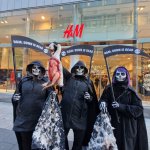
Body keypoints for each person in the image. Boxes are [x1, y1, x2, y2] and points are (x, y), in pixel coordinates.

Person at [99, 66, 148, 150]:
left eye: (122, 74)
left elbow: (138, 109)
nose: (120, 76)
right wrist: (102, 103)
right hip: (112, 124)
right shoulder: (109, 89)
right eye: (118, 74)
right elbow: (104, 99)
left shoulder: (130, 91)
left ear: (126, 76)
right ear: (114, 76)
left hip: (127, 127)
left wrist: (121, 106)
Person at [12, 61, 53, 150]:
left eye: (38, 68)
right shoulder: (24, 81)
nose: (36, 69)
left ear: (41, 70)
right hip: (24, 118)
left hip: (38, 119)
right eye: (34, 67)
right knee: (25, 143)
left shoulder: (46, 82)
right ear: (30, 68)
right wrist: (15, 98)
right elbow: (16, 95)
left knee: (37, 143)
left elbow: (52, 99)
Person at [61, 61, 99, 150]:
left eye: (81, 68)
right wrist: (56, 52)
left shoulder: (88, 82)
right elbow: (60, 67)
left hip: (80, 118)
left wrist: (89, 98)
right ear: (74, 69)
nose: (79, 69)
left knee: (78, 144)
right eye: (77, 67)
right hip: (66, 116)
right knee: (65, 142)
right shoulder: (69, 78)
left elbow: (93, 100)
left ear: (84, 70)